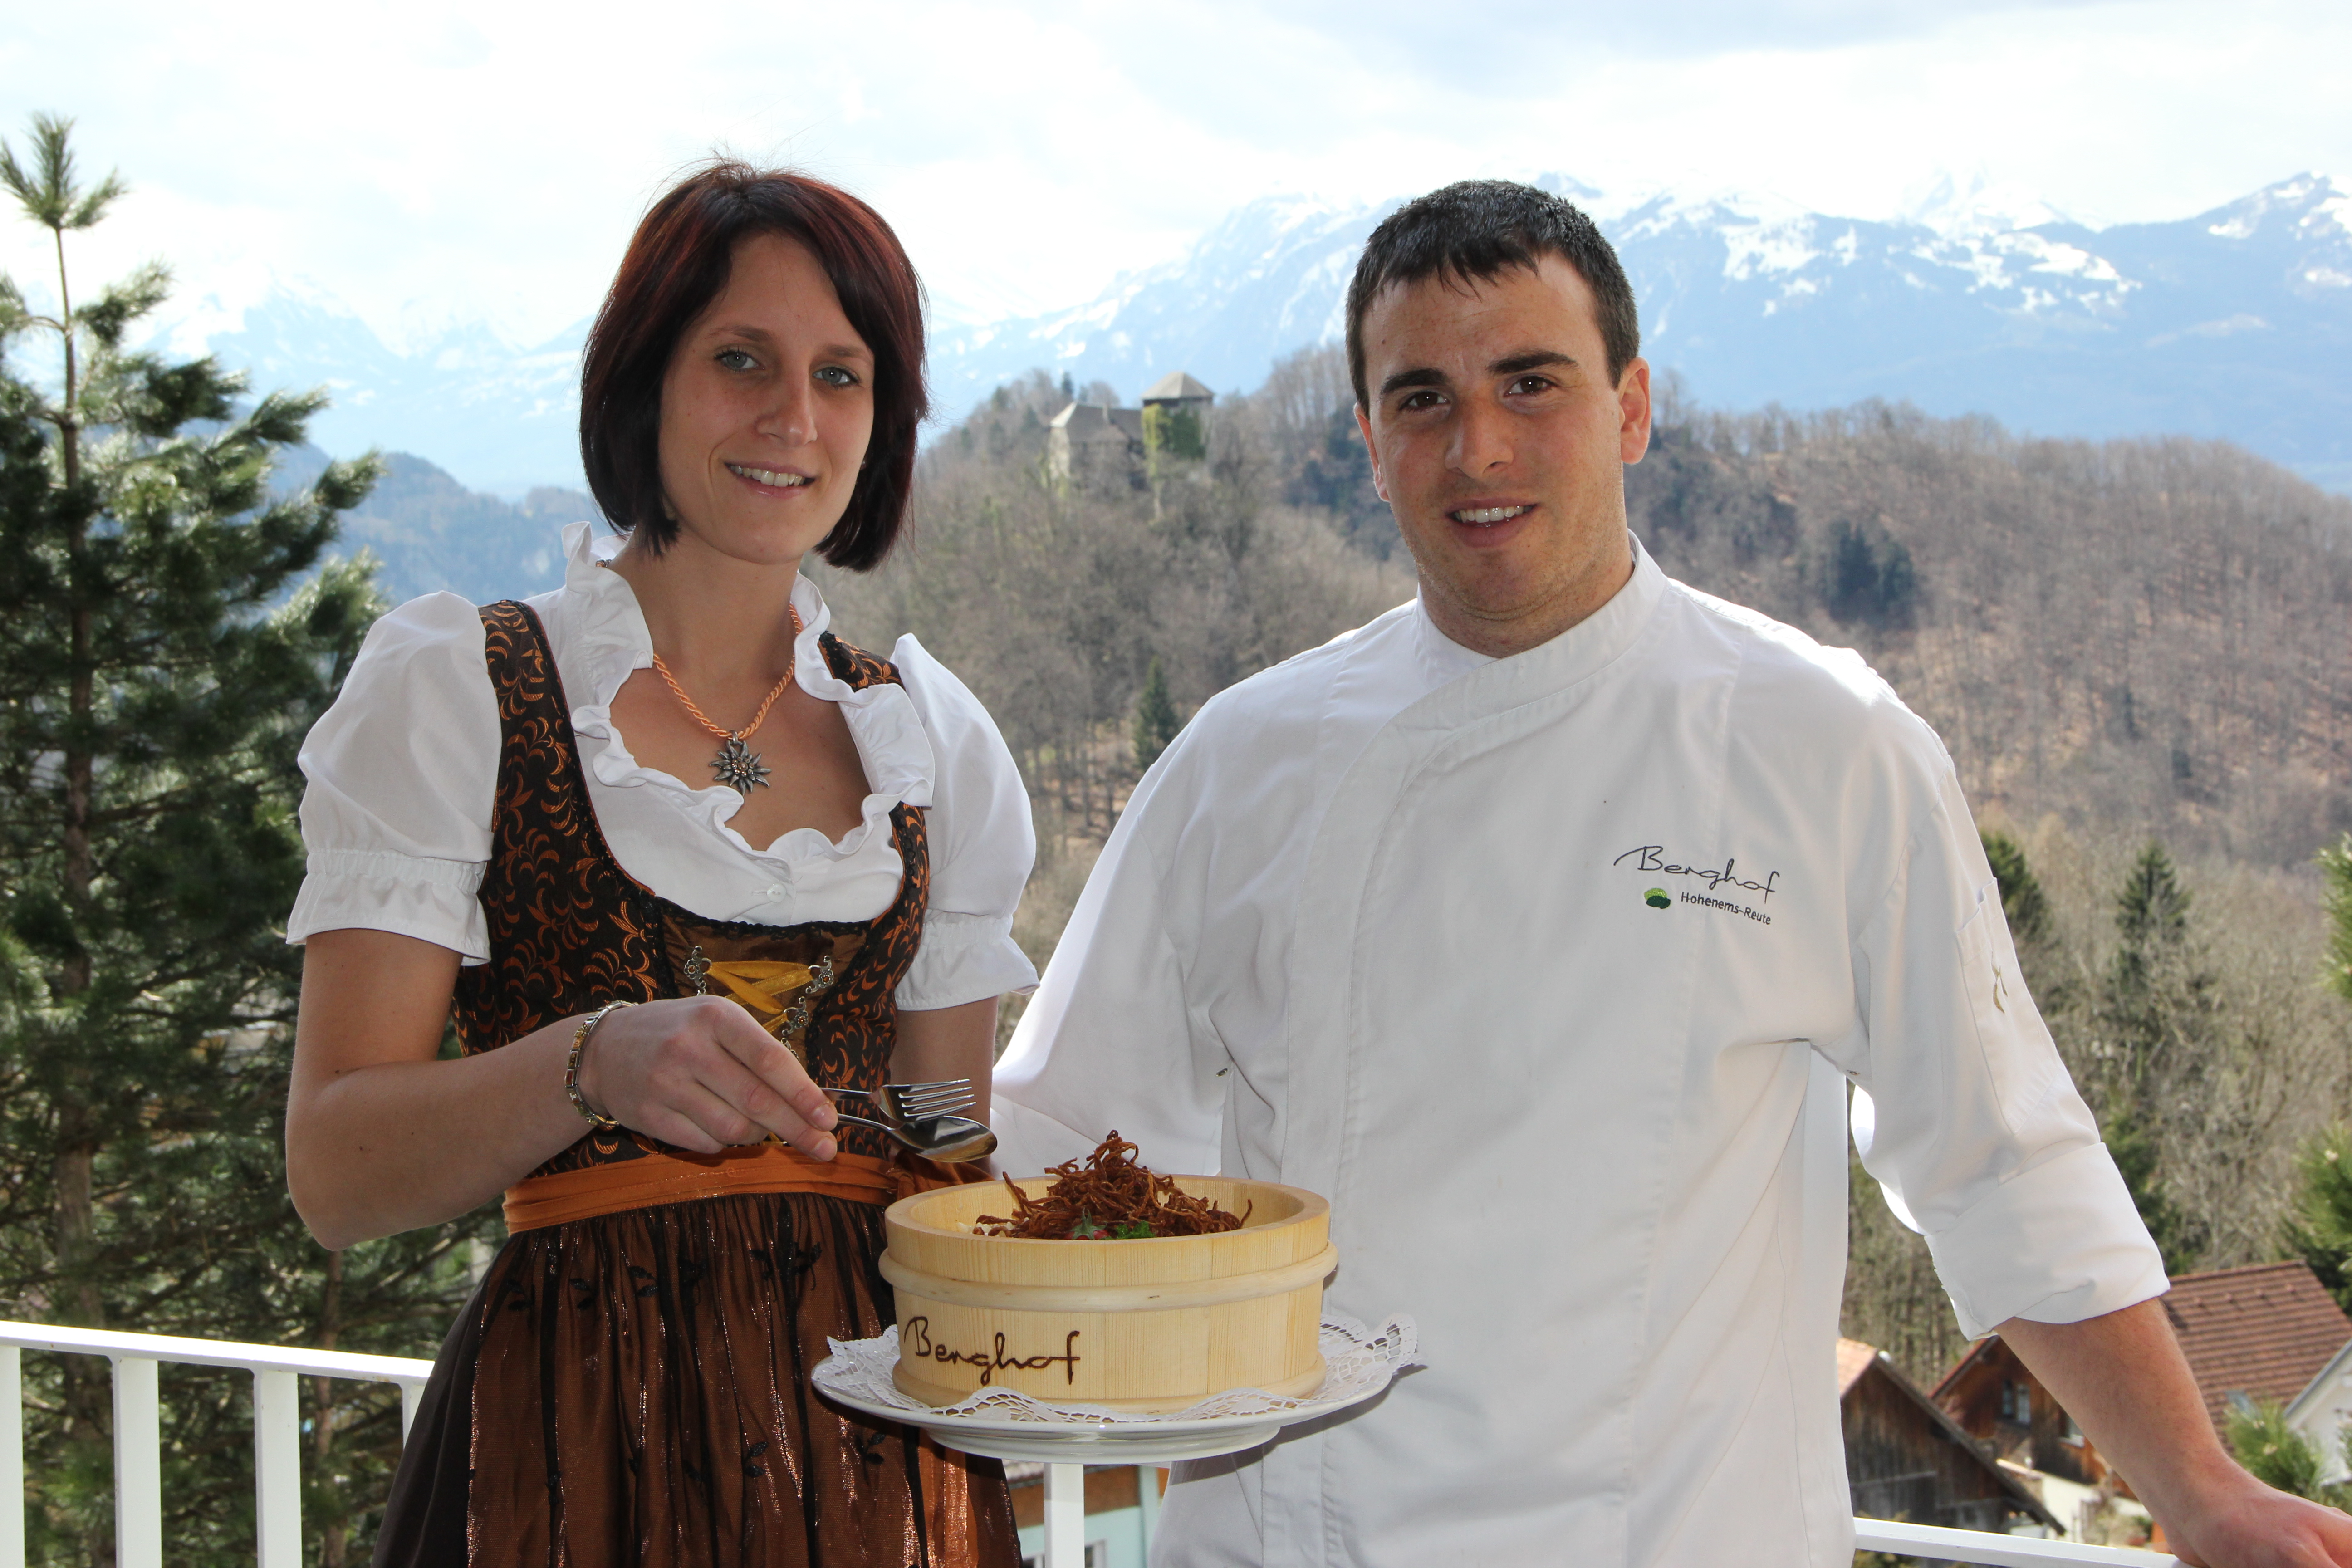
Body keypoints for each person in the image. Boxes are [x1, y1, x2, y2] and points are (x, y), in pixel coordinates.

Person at [990, 180, 2352, 1568]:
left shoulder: (1822, 744)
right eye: (1421, 399)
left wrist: (2200, 1490)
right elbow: (1061, 1144)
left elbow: (1999, 1159)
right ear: (1366, 437)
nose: (1479, 447)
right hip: (1291, 1538)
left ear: (1632, 406)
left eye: (1534, 383)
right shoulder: (1244, 762)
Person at [285, 162, 1032, 1568]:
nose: (792, 420)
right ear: (646, 380)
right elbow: (336, 1170)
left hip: (867, 1452)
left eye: (843, 374)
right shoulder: (466, 689)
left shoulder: (928, 741)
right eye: (738, 359)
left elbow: (939, 1121)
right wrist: (589, 1063)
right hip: (571, 1437)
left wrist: (1060, 1284)